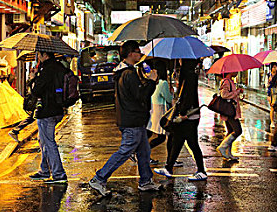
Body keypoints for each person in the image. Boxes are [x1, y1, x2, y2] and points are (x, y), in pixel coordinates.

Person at [89, 41, 160, 196]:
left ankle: (146, 181)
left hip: (134, 119)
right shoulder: (129, 73)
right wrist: (151, 82)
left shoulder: (123, 71)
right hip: (132, 119)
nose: (140, 54)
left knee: (144, 151)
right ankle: (99, 178)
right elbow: (140, 95)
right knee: (125, 151)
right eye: (137, 51)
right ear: (130, 54)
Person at [155, 59, 207, 181]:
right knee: (177, 141)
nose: (178, 61)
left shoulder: (189, 76)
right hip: (187, 117)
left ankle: (201, 171)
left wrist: (182, 114)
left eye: (180, 59)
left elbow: (188, 97)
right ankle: (169, 168)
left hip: (188, 117)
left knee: (192, 144)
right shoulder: (188, 75)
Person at [28, 51, 69, 184]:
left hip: (47, 111)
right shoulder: (60, 67)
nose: (38, 57)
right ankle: (44, 170)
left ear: (45, 55)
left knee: (49, 142)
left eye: (39, 54)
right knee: (44, 141)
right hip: (58, 109)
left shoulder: (46, 70)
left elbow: (36, 91)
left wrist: (33, 78)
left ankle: (58, 174)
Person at [146, 60, 173, 165]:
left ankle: (141, 153)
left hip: (153, 110)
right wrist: (171, 92)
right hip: (161, 112)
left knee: (152, 134)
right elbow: (169, 99)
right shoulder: (163, 83)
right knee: (163, 137)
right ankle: (140, 153)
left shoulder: (153, 81)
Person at [216, 71, 244, 160]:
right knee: (238, 130)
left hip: (230, 110)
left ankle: (228, 153)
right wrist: (237, 92)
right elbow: (224, 95)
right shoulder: (227, 81)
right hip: (230, 111)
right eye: (236, 70)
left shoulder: (230, 81)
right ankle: (223, 147)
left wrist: (237, 93)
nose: (237, 72)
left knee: (230, 131)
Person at [266, 62, 277, 132]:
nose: (275, 68)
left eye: (276, 67)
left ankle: (276, 121)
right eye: (273, 67)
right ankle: (272, 122)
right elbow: (266, 85)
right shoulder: (268, 75)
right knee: (272, 107)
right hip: (270, 93)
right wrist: (269, 81)